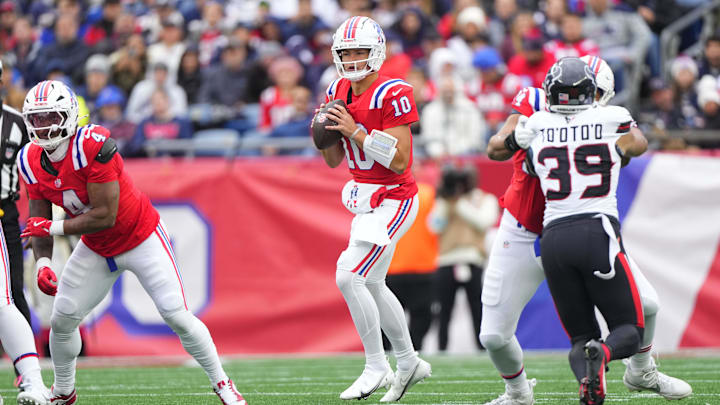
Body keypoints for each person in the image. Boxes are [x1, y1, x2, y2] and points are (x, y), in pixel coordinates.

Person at [17, 80, 246, 405]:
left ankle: (223, 384)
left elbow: (104, 216)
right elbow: (37, 220)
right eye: (37, 119)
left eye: (51, 117)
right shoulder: (29, 160)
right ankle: (63, 393)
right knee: (62, 319)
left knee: (176, 314)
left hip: (139, 237)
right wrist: (42, 262)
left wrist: (51, 228)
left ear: (68, 115)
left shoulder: (93, 145)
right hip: (97, 247)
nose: (44, 126)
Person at [480, 55, 692, 405]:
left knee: (648, 304)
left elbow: (629, 141)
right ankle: (518, 394)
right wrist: (518, 137)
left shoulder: (604, 115)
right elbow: (496, 146)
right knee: (493, 336)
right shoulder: (536, 104)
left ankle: (640, 371)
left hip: (566, 225)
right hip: (523, 228)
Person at [315, 16, 431, 402]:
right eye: (345, 52)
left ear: (377, 52)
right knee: (373, 283)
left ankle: (376, 365)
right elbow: (334, 161)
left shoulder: (392, 92)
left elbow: (401, 161)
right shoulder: (336, 89)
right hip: (366, 201)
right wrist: (324, 132)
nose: (351, 59)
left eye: (359, 50)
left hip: (395, 199)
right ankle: (409, 360)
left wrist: (355, 131)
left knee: (349, 276)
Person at [523, 56, 648, 404]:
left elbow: (532, 166)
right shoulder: (612, 117)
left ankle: (588, 382)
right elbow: (638, 142)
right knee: (629, 330)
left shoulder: (537, 123)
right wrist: (622, 148)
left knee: (580, 337)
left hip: (553, 239)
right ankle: (603, 356)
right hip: (596, 231)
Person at [0, 62, 51, 405]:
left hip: (4, 212)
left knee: (8, 298)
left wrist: (38, 220)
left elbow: (35, 176)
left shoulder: (15, 122)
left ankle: (31, 378)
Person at [428, 164, 498, 352]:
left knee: (477, 308)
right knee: (444, 310)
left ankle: (482, 349)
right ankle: (441, 349)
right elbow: (435, 226)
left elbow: (484, 222)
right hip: (446, 260)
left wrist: (458, 204)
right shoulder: (445, 201)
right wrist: (446, 201)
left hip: (472, 259)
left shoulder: (485, 199)